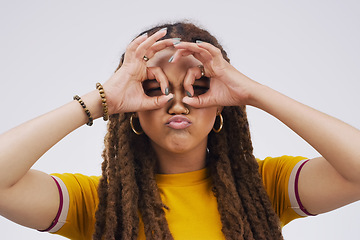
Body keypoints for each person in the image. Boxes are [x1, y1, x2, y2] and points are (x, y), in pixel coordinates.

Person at [0, 22, 359, 240]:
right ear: (131, 111)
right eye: (154, 89)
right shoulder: (100, 203)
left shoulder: (267, 186)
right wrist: (101, 99)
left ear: (222, 106)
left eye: (199, 87)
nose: (177, 103)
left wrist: (251, 92)